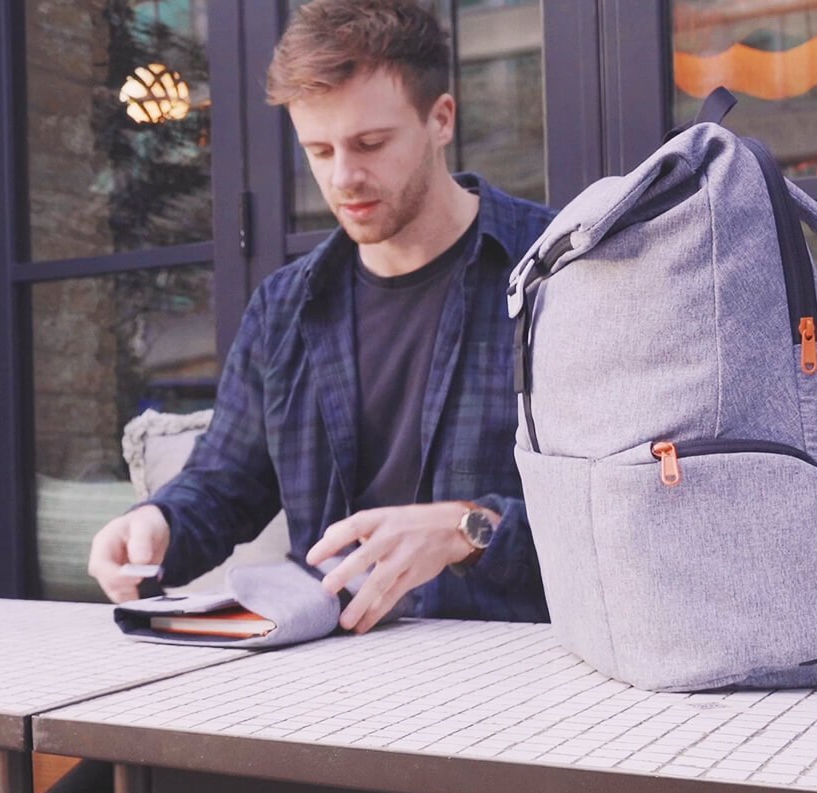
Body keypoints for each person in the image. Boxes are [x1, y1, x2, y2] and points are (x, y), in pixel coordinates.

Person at [88, 0, 553, 634]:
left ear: (441, 119)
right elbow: (225, 485)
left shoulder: (558, 274)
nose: (344, 177)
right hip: (325, 662)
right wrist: (154, 525)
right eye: (319, 149)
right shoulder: (285, 308)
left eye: (370, 144)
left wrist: (470, 529)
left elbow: (630, 512)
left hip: (516, 662)